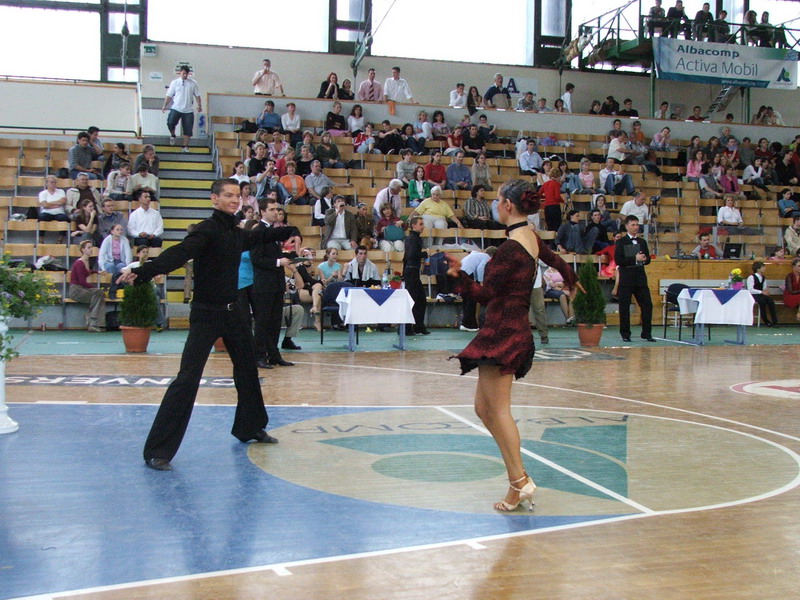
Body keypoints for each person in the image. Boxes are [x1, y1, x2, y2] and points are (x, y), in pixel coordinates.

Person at [117, 180, 301, 470]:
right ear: (214, 198)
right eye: (227, 195)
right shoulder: (207, 230)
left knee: (247, 371)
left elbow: (258, 237)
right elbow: (179, 253)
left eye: (237, 195)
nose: (234, 200)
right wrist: (144, 272)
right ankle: (158, 450)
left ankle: (250, 427)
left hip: (234, 313)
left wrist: (291, 230)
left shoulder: (236, 232)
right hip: (206, 314)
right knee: (187, 379)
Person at [444, 179, 576, 511]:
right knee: (483, 409)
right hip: (508, 329)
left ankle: (519, 482)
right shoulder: (529, 236)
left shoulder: (509, 249)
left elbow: (484, 295)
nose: (495, 204)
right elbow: (555, 259)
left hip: (503, 332)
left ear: (507, 205)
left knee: (499, 411)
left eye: (497, 199)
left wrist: (458, 275)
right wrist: (572, 279)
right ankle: (518, 480)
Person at [250, 196, 297, 370]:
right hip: (263, 285)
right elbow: (256, 259)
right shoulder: (257, 231)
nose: (276, 212)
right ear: (262, 212)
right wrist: (278, 262)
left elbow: (273, 255)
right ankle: (259, 356)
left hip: (276, 283)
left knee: (275, 322)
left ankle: (274, 354)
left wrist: (289, 258)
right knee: (262, 322)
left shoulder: (274, 231)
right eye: (271, 209)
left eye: (276, 209)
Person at [615, 215, 654, 342]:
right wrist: (634, 259)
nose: (636, 227)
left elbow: (648, 259)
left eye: (637, 225)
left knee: (647, 305)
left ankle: (647, 333)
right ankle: (625, 334)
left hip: (640, 278)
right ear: (627, 226)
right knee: (624, 307)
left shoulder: (642, 242)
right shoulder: (621, 242)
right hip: (626, 279)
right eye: (633, 225)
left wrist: (645, 259)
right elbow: (618, 260)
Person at [162, 65, 202, 153]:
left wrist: (199, 105)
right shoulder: (175, 82)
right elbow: (169, 95)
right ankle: (173, 135)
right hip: (176, 107)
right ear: (180, 73)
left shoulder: (193, 83)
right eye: (183, 73)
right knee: (170, 123)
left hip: (188, 110)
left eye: (186, 74)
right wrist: (165, 105)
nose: (185, 75)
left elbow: (198, 95)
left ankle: (185, 146)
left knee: (188, 129)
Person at [69, 239, 106, 332]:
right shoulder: (79, 263)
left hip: (81, 288)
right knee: (98, 294)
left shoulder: (85, 261)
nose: (91, 249)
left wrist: (96, 271)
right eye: (88, 248)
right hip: (76, 290)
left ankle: (95, 322)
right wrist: (93, 287)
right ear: (83, 249)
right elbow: (82, 281)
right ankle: (92, 322)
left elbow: (86, 272)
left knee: (100, 294)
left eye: (91, 247)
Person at [403, 216, 429, 336]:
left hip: (411, 271)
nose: (423, 226)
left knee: (419, 299)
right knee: (414, 300)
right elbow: (411, 255)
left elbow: (406, 257)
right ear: (414, 225)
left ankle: (416, 326)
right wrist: (424, 254)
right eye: (420, 224)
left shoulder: (412, 238)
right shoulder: (414, 239)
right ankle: (409, 327)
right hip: (412, 272)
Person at [458, 247, 494, 331]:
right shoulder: (486, 257)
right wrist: (481, 282)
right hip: (467, 274)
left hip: (460, 273)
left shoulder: (476, 255)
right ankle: (469, 325)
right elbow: (480, 268)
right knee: (472, 299)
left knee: (466, 300)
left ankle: (465, 323)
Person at [747, 261, 778, 327]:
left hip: (761, 294)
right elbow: (750, 289)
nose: (765, 268)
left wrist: (766, 291)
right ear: (758, 269)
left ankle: (775, 321)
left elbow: (764, 288)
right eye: (763, 267)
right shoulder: (751, 277)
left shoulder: (763, 278)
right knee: (762, 302)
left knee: (770, 301)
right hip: (754, 295)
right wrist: (761, 292)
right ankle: (765, 320)